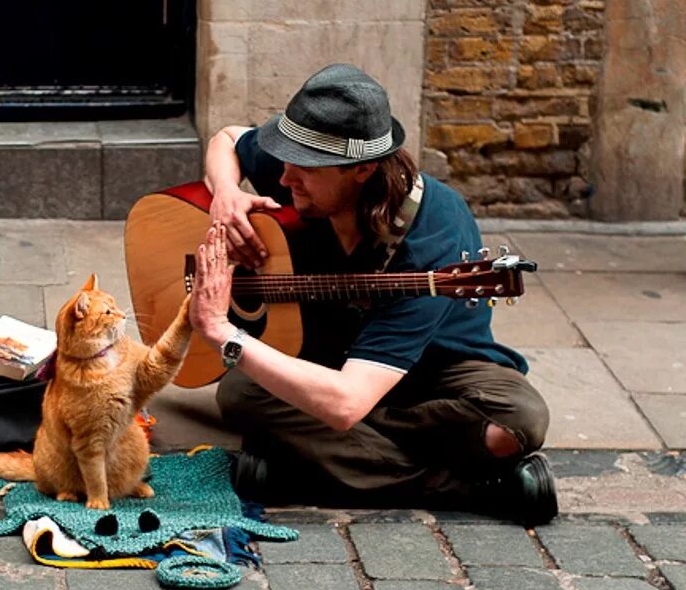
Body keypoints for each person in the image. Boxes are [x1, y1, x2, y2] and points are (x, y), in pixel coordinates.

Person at [187, 63, 557, 527]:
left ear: (362, 169)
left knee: (515, 421)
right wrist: (224, 194)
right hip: (327, 353)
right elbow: (226, 138)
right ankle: (469, 486)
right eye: (285, 159)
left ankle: (304, 467)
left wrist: (221, 332)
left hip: (435, 369)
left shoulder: (432, 239)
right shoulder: (306, 164)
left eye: (303, 168)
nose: (284, 180)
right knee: (243, 390)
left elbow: (345, 405)